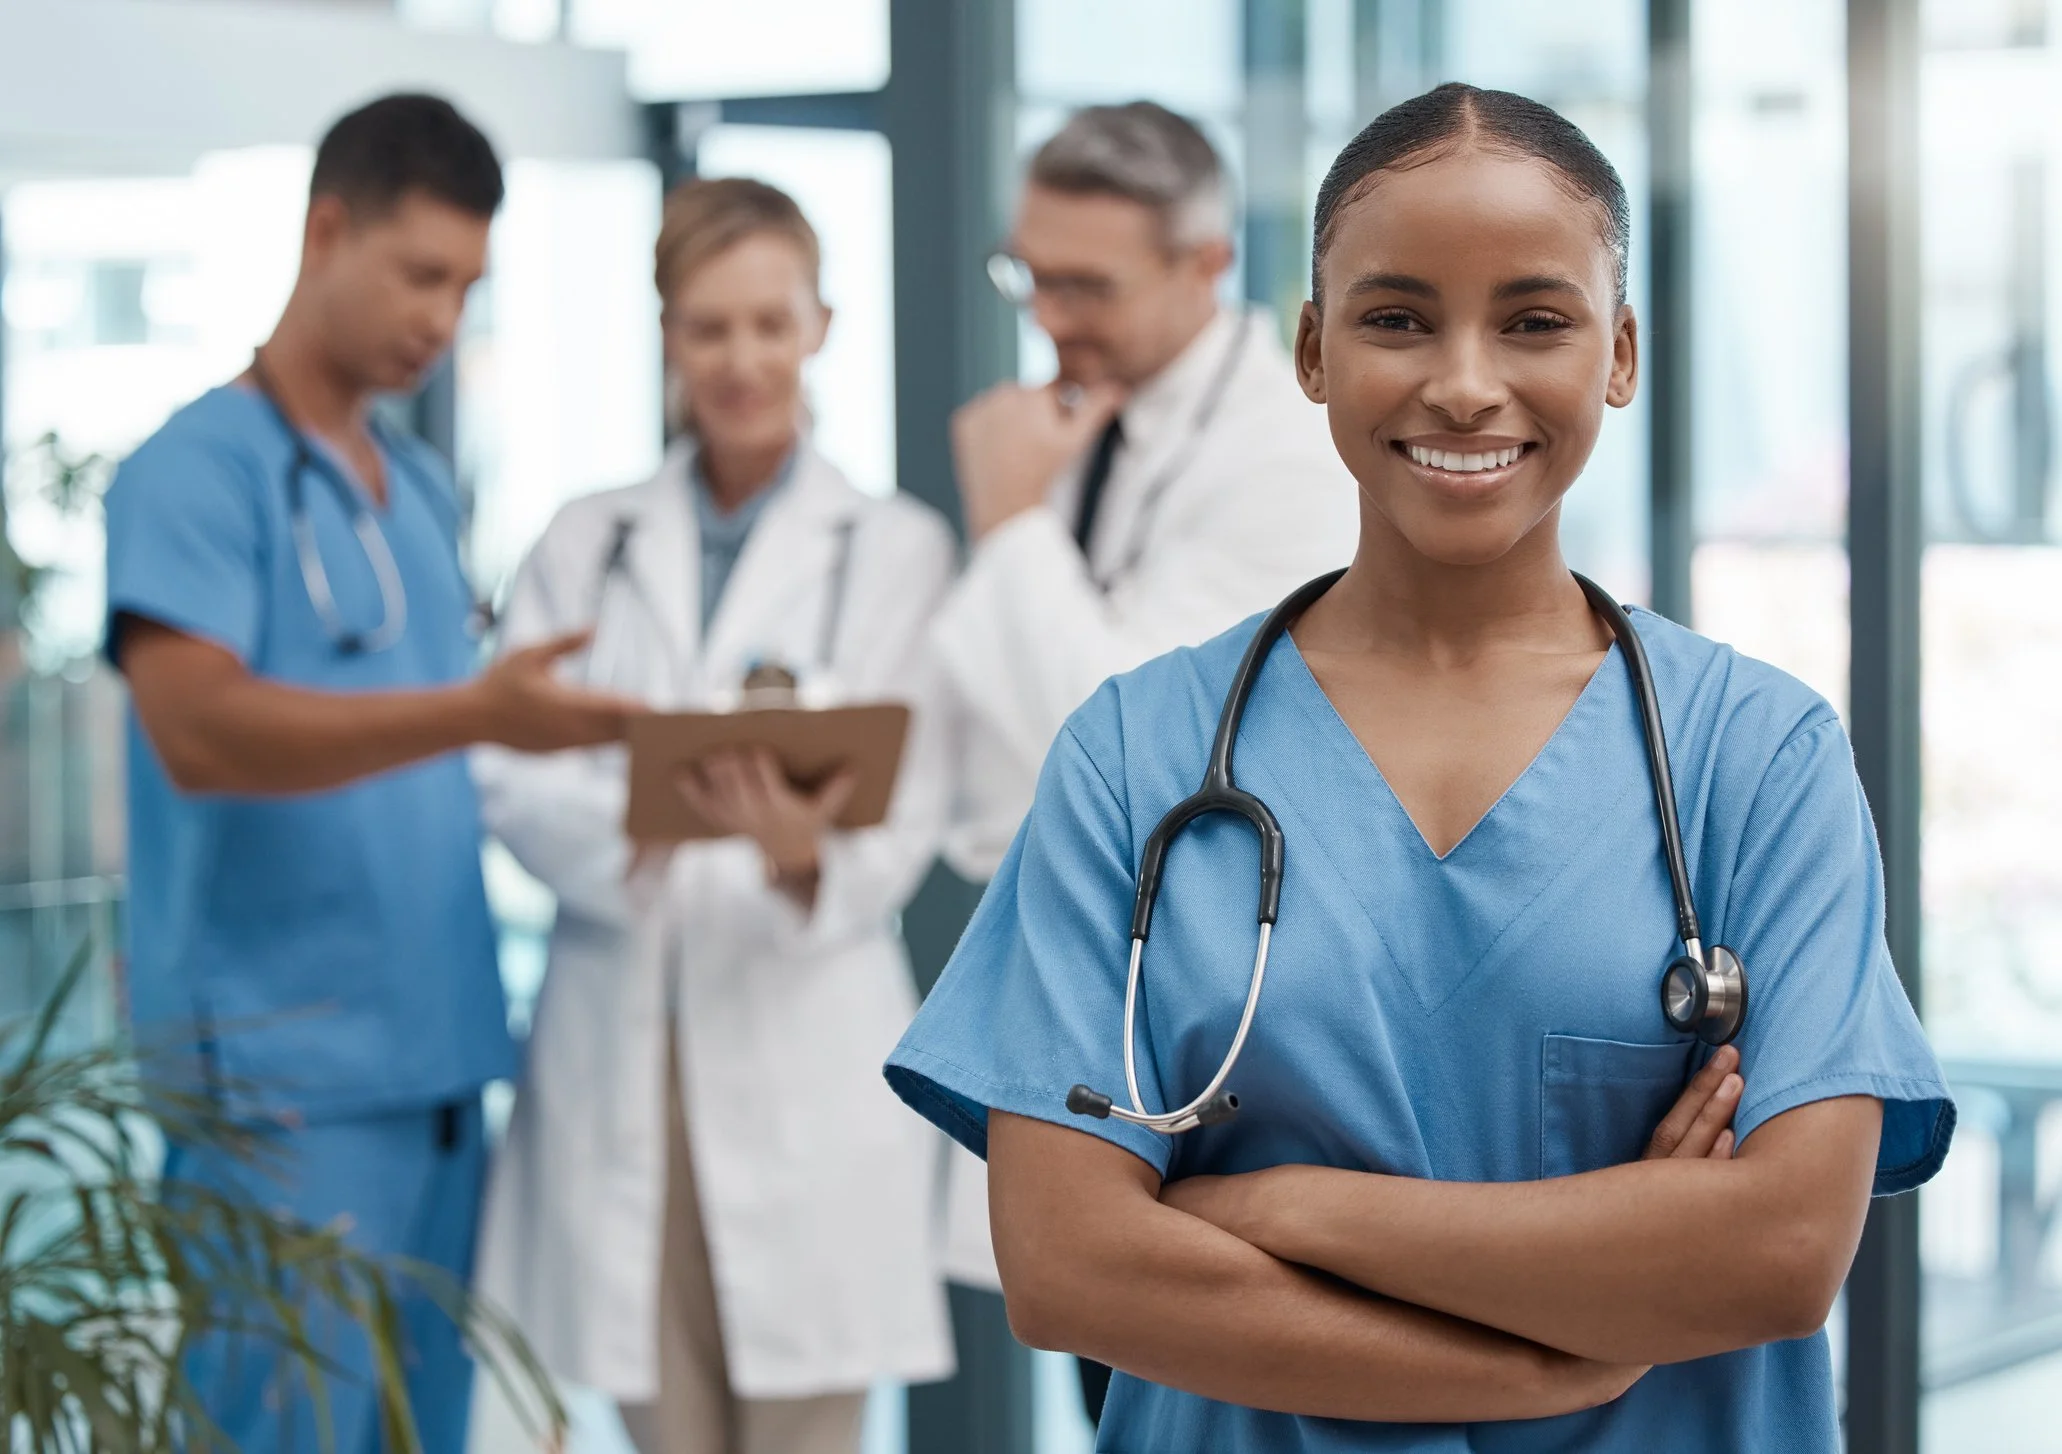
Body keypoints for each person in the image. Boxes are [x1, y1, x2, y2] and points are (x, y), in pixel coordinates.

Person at [886, 83, 1955, 1452]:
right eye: (1396, 317)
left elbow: (1782, 1247)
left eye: (1535, 319)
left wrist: (1283, 1205)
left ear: (1618, 353)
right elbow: (1068, 1266)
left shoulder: (1757, 756)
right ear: (1313, 349)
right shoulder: (1131, 752)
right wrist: (1545, 1351)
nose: (1462, 378)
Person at [102, 96, 637, 1453]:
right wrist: (477, 710)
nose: (441, 319)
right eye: (419, 273)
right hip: (278, 1091)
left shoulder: (416, 487)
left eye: (465, 286)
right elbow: (199, 729)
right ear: (324, 229)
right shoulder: (193, 473)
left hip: (441, 1071)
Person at [471, 177, 955, 1454]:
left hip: (802, 1038)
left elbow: (913, 797)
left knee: (805, 1426)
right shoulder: (586, 542)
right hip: (621, 1043)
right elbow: (514, 771)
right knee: (658, 1425)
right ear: (667, 333)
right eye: (706, 327)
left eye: (767, 323)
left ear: (821, 324)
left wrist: (811, 859)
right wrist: (632, 826)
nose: (740, 359)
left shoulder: (890, 547)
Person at [929, 101, 1360, 1417]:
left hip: (1203, 1022)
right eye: (1030, 274)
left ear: (1204, 263)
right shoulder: (1084, 424)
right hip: (1081, 993)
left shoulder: (1284, 449)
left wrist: (1006, 524)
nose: (1049, 313)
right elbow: (988, 735)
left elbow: (1132, 744)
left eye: (1085, 282)